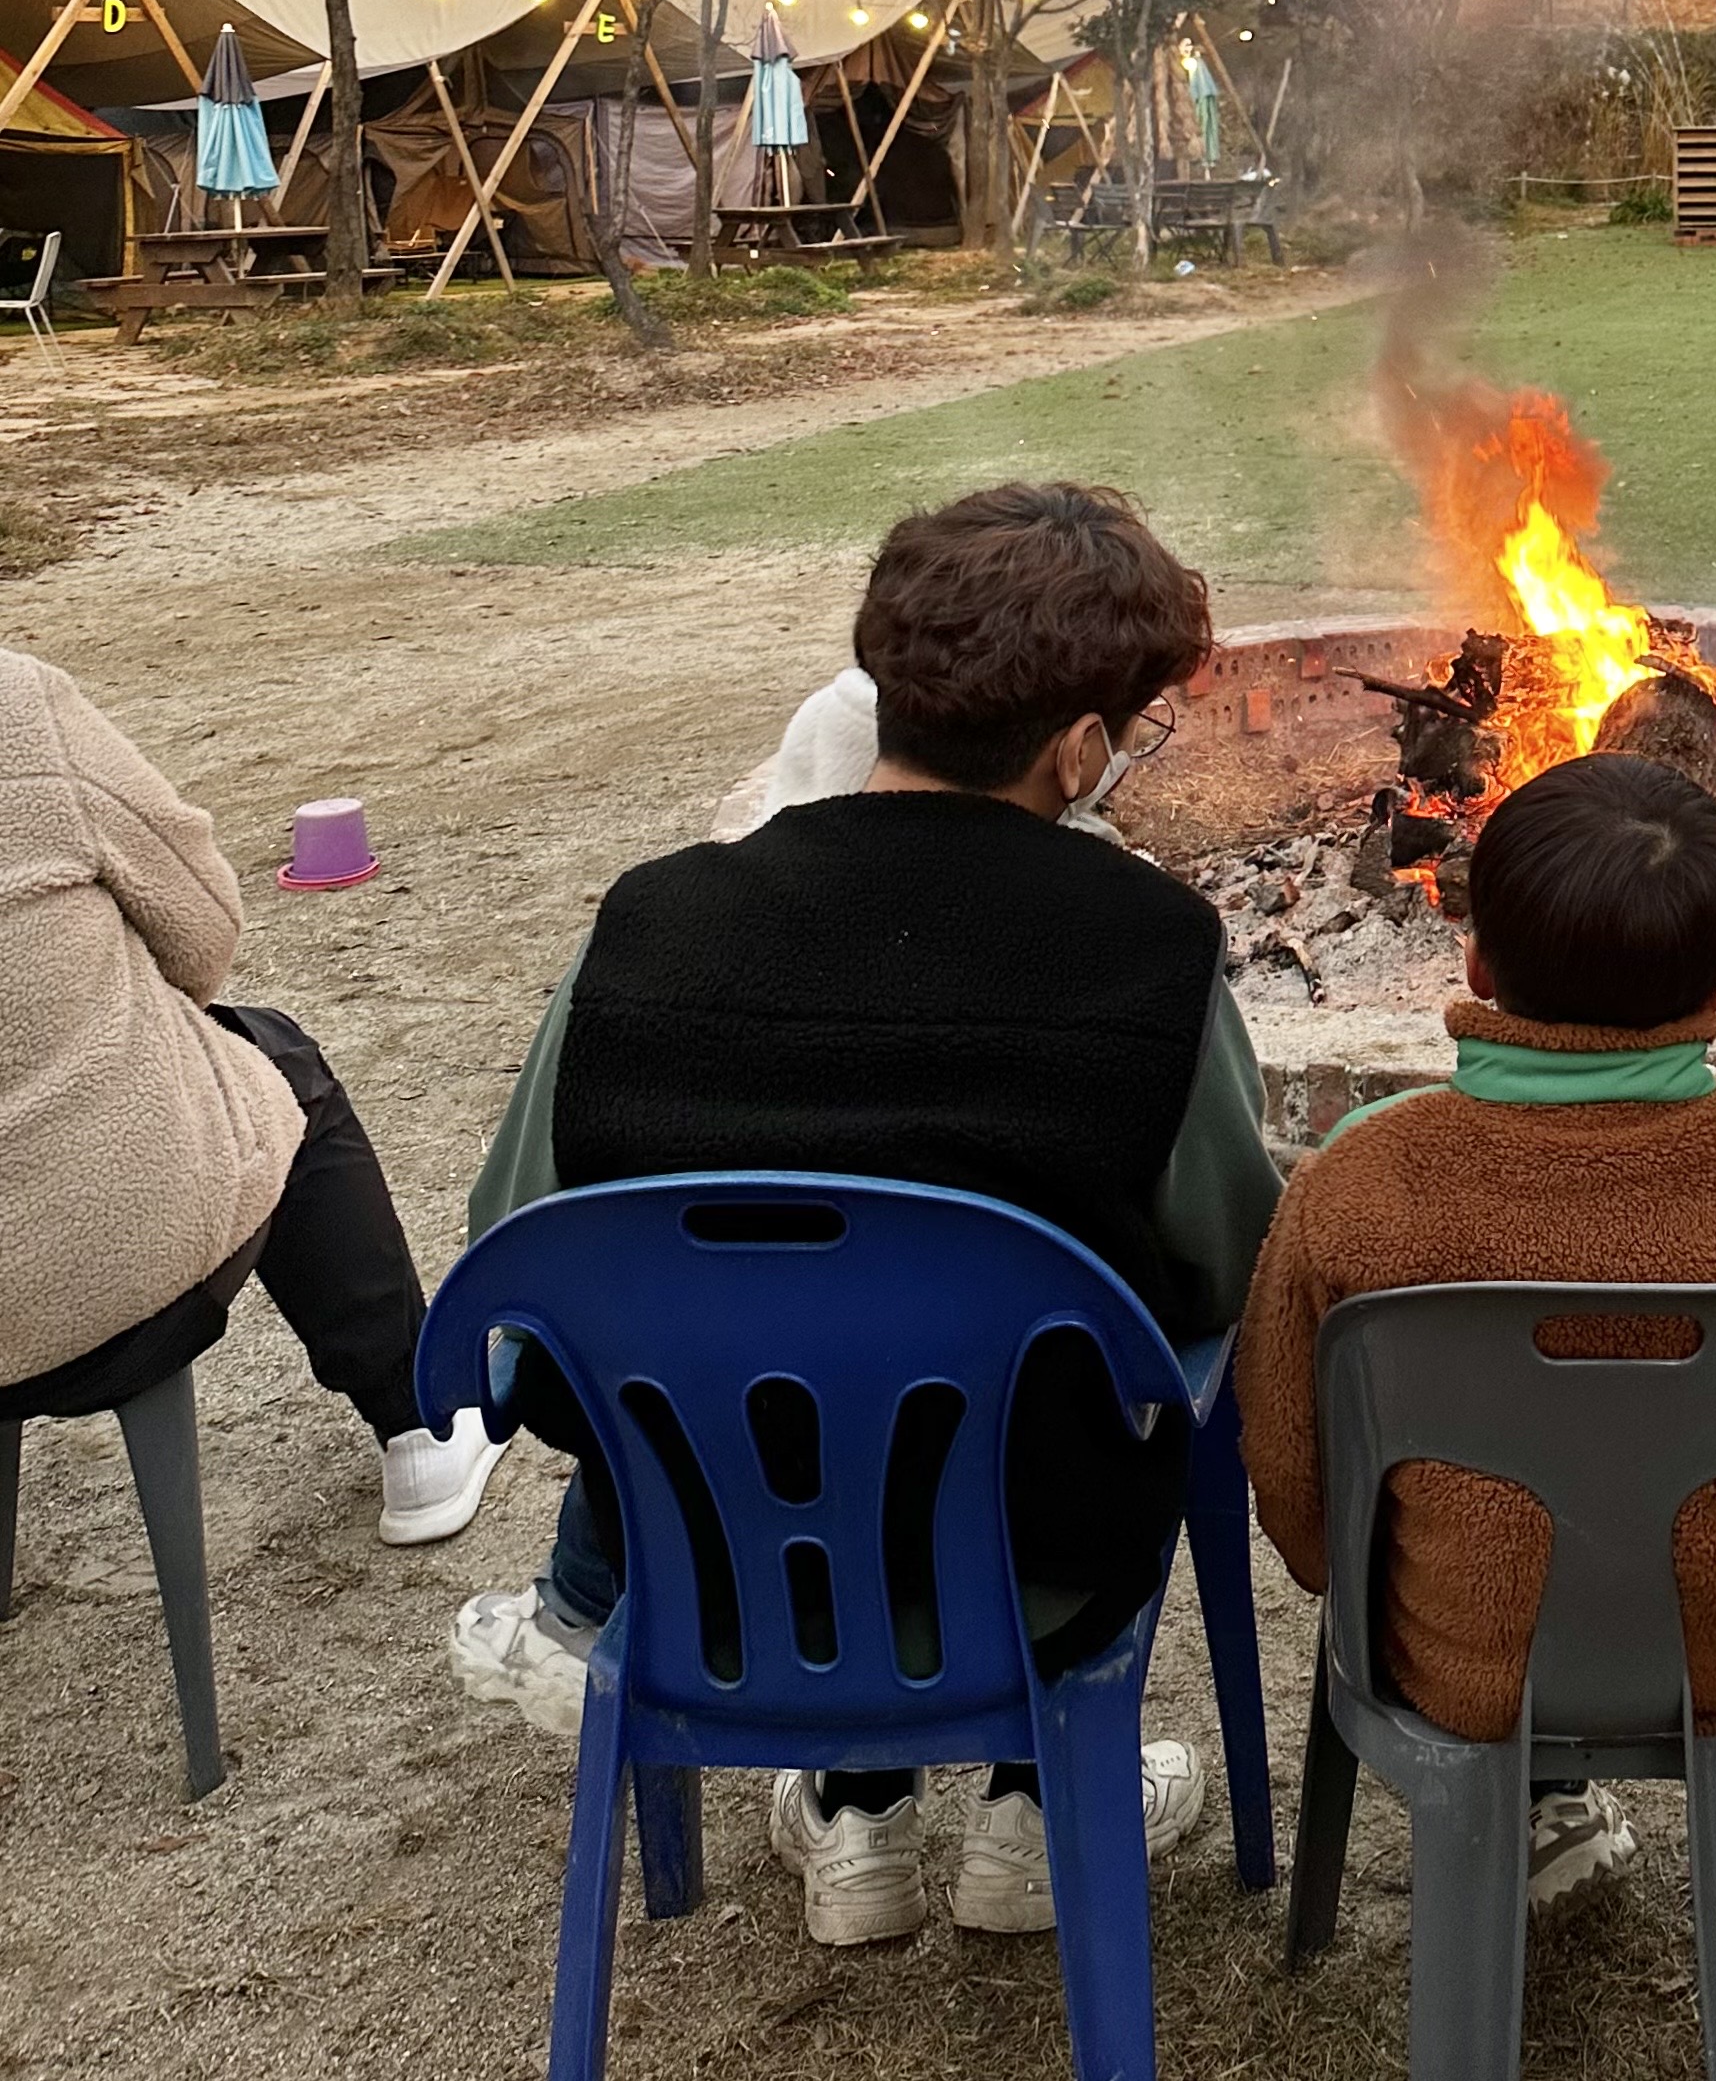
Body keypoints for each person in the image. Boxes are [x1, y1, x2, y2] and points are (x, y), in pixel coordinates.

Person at [447, 482, 1282, 1952]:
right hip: (1027, 1568)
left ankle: (854, 1807)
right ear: (1077, 748)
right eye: (1135, 730)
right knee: (1084, 1362)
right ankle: (1032, 1805)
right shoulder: (1150, 951)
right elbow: (1223, 1259)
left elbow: (517, 1237)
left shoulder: (645, 924)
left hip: (700, 1550)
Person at [1239, 747, 1716, 1908]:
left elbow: (1294, 1477)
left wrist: (1345, 1577)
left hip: (1467, 1655)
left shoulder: (1362, 1179)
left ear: (1475, 957)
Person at [0, 644, 501, 1542]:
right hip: (112, 1297)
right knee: (271, 1057)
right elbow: (202, 929)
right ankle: (420, 1422)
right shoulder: (19, 704)